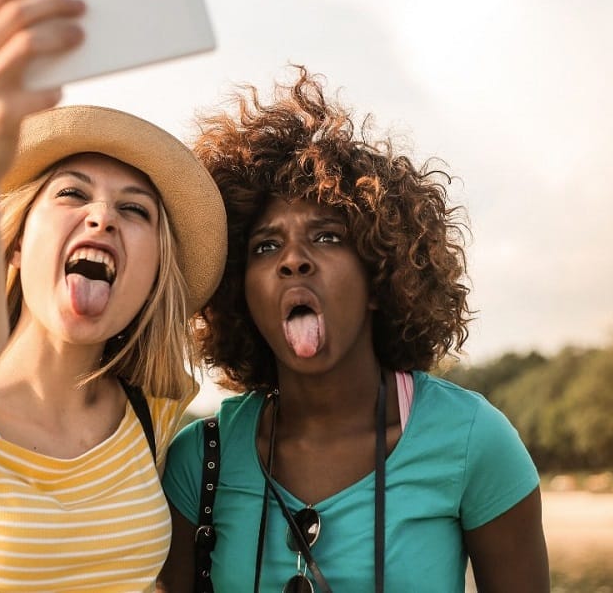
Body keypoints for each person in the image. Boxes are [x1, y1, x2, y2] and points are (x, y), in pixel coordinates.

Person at [0, 0, 226, 592]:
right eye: (72, 194)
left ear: (153, 275)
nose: (102, 217)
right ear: (12, 241)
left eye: (135, 211)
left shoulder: (155, 416)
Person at [160, 67, 549, 592]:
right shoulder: (198, 462)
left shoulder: (473, 442)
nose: (293, 260)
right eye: (266, 246)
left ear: (379, 274)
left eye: (326, 237)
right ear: (239, 292)